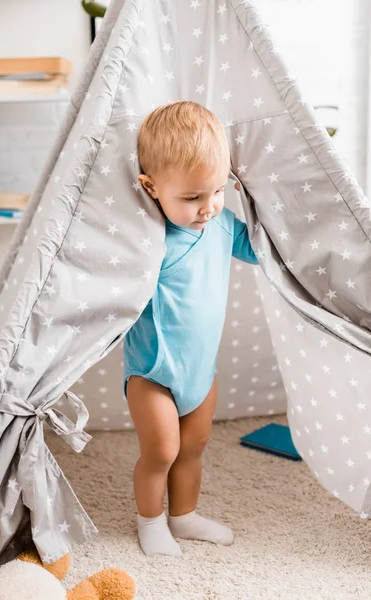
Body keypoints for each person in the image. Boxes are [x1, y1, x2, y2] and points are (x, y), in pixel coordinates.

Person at [123, 100, 258, 557]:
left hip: (201, 369)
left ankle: (183, 515)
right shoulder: (148, 236)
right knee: (161, 450)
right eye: (192, 197)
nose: (208, 208)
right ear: (151, 187)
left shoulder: (221, 225)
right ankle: (150, 520)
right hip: (153, 369)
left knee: (193, 446)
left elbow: (263, 251)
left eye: (218, 190)